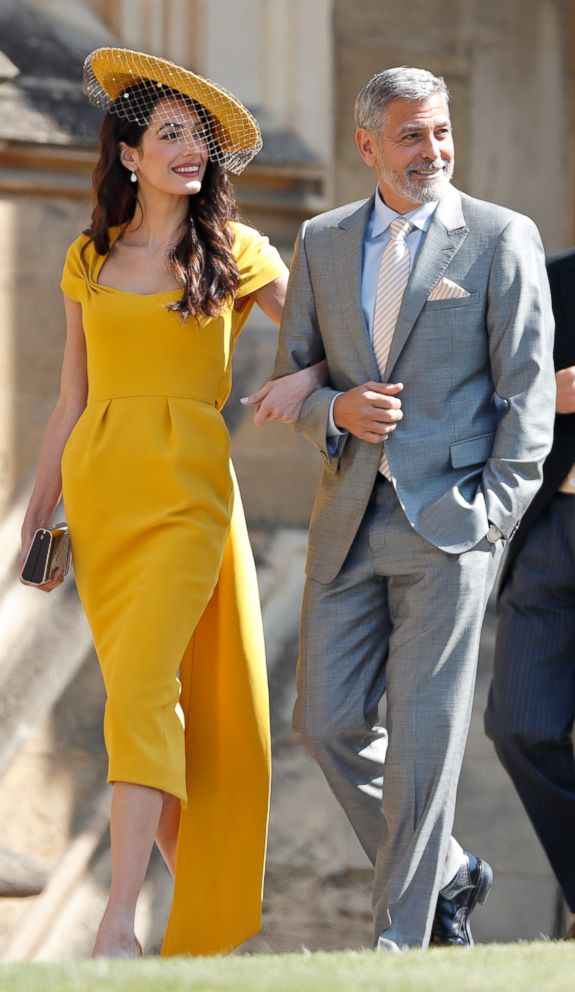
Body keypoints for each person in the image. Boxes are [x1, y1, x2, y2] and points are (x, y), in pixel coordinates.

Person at [19, 47, 324, 958]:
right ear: (129, 155)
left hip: (190, 492)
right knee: (139, 701)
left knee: (147, 691)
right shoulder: (88, 256)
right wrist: (41, 515)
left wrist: (307, 377)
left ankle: (119, 924)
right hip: (105, 493)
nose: (191, 150)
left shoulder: (240, 251)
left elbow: (321, 336)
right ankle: (220, 927)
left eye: (201, 138)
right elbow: (70, 400)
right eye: (172, 134)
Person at [246, 66, 556, 950]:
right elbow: (293, 378)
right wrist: (332, 412)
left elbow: (527, 392)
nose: (432, 151)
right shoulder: (321, 240)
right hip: (346, 517)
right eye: (412, 135)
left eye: (442, 132)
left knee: (423, 741)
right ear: (367, 145)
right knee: (326, 722)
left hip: (453, 520)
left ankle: (400, 948)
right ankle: (450, 868)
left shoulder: (500, 237)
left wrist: (494, 510)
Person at [484, 248, 575, 939]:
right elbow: (465, 388)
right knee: (518, 724)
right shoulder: (549, 280)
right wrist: (546, 392)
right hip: (549, 533)